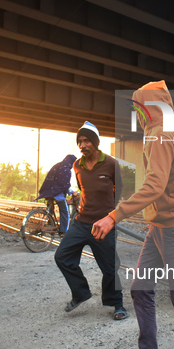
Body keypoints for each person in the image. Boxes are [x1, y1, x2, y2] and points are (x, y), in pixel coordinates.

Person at [92, 80, 174, 349]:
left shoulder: (159, 134)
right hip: (159, 226)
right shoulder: (173, 132)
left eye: (138, 108)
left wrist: (113, 216)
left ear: (150, 109)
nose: (137, 115)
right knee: (141, 288)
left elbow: (154, 186)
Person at [54, 121, 127, 321]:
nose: (83, 145)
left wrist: (111, 216)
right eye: (80, 141)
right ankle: (80, 293)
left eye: (87, 141)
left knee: (110, 267)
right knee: (62, 256)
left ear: (95, 142)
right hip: (81, 222)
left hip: (104, 224)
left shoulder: (111, 164)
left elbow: (119, 190)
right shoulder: (77, 166)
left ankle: (118, 304)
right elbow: (82, 187)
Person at [36, 154, 77, 234]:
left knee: (51, 208)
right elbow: (65, 185)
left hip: (48, 191)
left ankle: (50, 222)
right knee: (65, 212)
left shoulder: (56, 166)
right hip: (57, 193)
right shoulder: (66, 170)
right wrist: (72, 192)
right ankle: (63, 231)